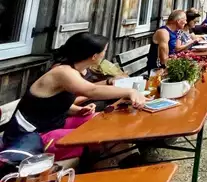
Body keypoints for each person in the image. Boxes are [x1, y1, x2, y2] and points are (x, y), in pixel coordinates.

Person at [2, 32, 145, 160]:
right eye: (104, 51)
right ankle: (124, 167)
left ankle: (130, 162)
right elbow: (91, 91)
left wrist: (76, 110)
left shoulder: (74, 70)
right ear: (94, 56)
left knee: (104, 120)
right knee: (99, 135)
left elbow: (50, 104)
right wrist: (130, 91)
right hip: (32, 136)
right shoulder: (62, 72)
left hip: (55, 124)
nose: (105, 54)